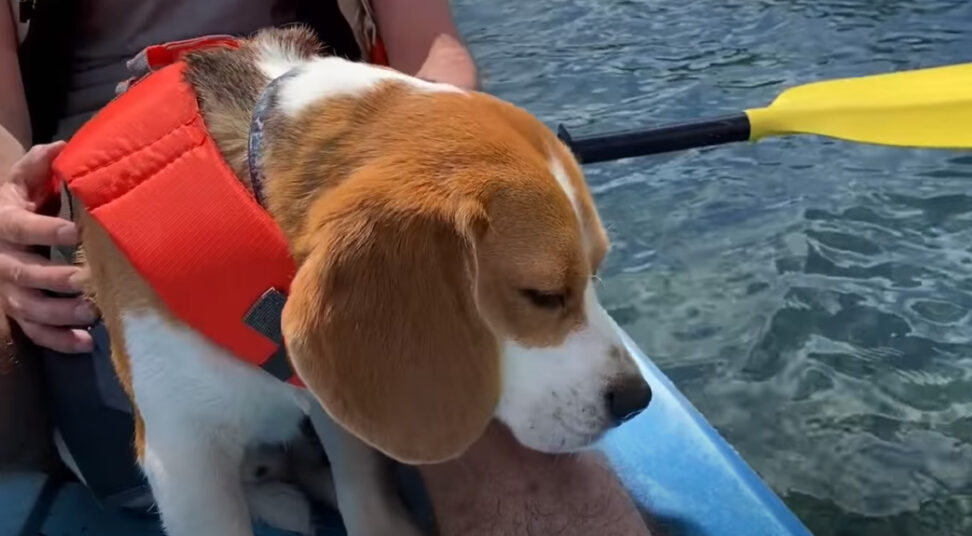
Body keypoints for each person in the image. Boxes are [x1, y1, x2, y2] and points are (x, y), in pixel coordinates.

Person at [0, 1, 653, 534]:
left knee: (536, 476)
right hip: (95, 207)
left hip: (351, 152)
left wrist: (431, 156)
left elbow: (433, 48)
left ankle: (366, 498)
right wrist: (5, 205)